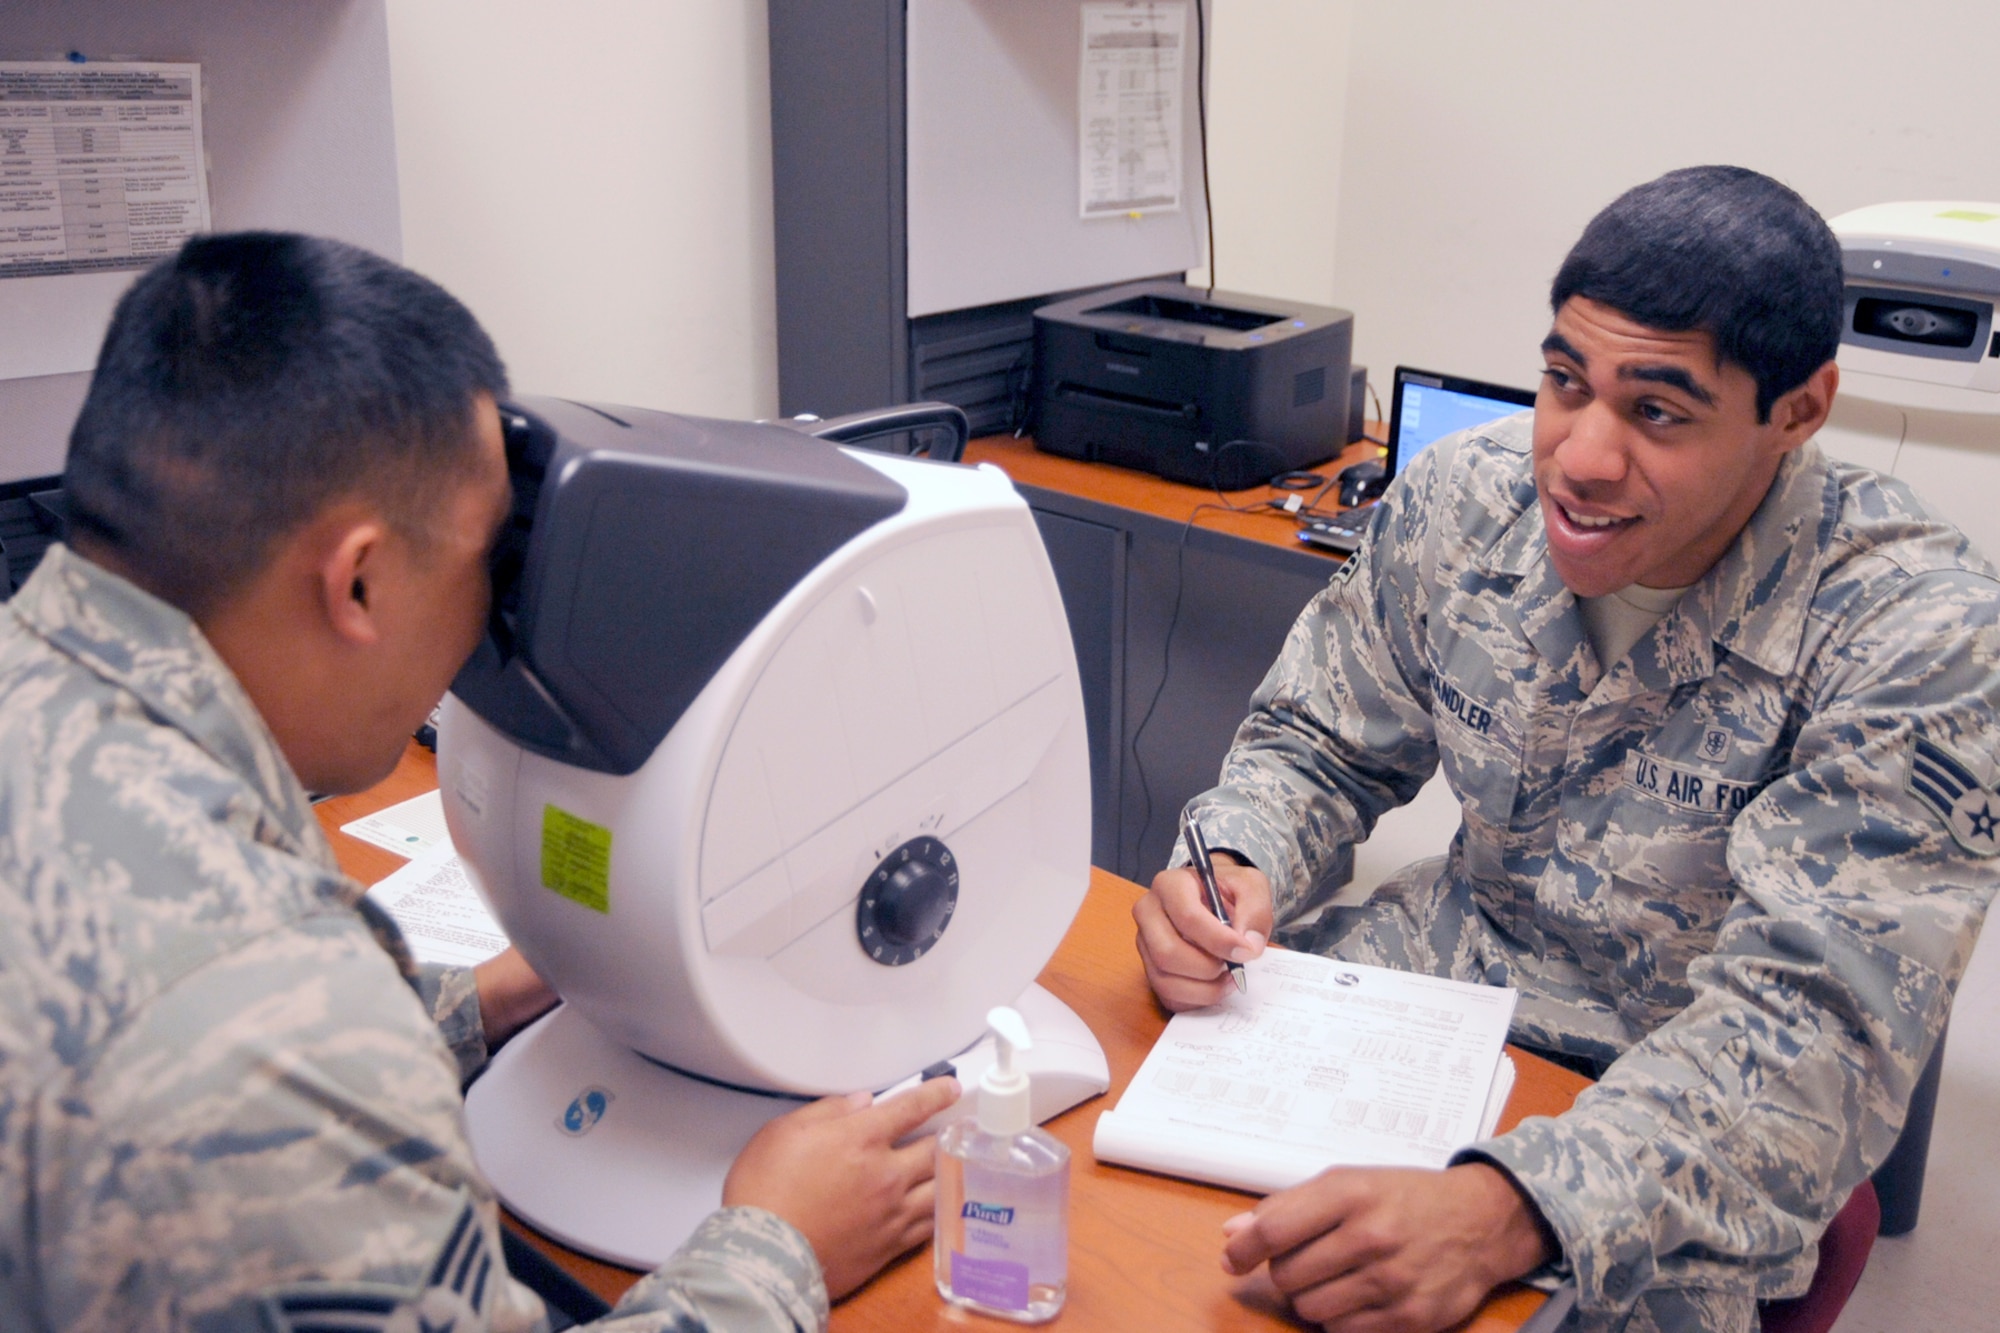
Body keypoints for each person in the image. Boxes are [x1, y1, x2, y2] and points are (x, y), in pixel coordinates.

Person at [0, 231, 959, 1332]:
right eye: (487, 564)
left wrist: (481, 1001)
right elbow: (240, 1047)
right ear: (358, 581)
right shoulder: (275, 1027)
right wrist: (776, 1248)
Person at [1135, 165, 2000, 1332]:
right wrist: (1234, 862)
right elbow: (1316, 740)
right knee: (1144, 1244)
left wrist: (1510, 1209)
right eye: (1561, 382)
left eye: (1656, 411)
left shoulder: (1920, 633)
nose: (1578, 458)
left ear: (1796, 409)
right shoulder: (1463, 497)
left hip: (1678, 1098)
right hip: (1424, 994)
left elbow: (1813, 1036)